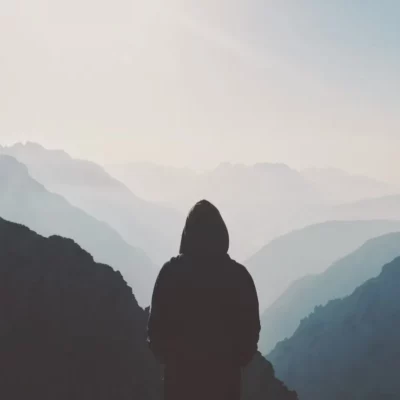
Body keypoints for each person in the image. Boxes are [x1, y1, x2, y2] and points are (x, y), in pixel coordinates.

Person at [147, 200, 260, 400]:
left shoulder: (170, 274)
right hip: (225, 385)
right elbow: (250, 334)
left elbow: (156, 332)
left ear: (187, 234)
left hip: (179, 384)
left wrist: (174, 360)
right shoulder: (239, 277)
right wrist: (231, 362)